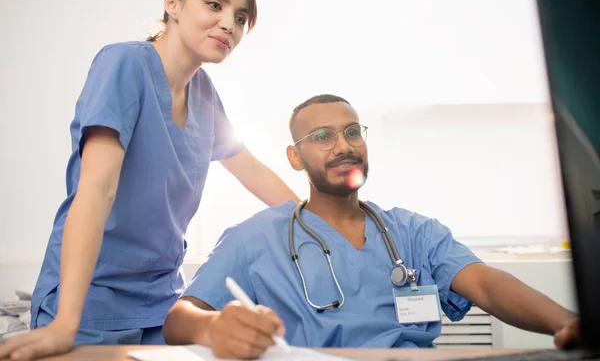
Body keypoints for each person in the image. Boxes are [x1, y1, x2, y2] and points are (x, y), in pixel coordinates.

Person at [0, 0, 300, 360]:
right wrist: (64, 326)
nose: (230, 24)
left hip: (162, 306)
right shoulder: (125, 65)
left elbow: (253, 173)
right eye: (215, 5)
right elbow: (97, 189)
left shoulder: (204, 95)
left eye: (241, 17)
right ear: (172, 3)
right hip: (89, 301)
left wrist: (319, 223)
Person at [162, 94, 581, 359]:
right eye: (323, 136)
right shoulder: (253, 238)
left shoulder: (414, 231)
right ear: (295, 158)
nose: (343, 145)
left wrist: (567, 322)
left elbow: (487, 285)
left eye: (352, 132)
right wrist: (214, 327)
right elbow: (179, 320)